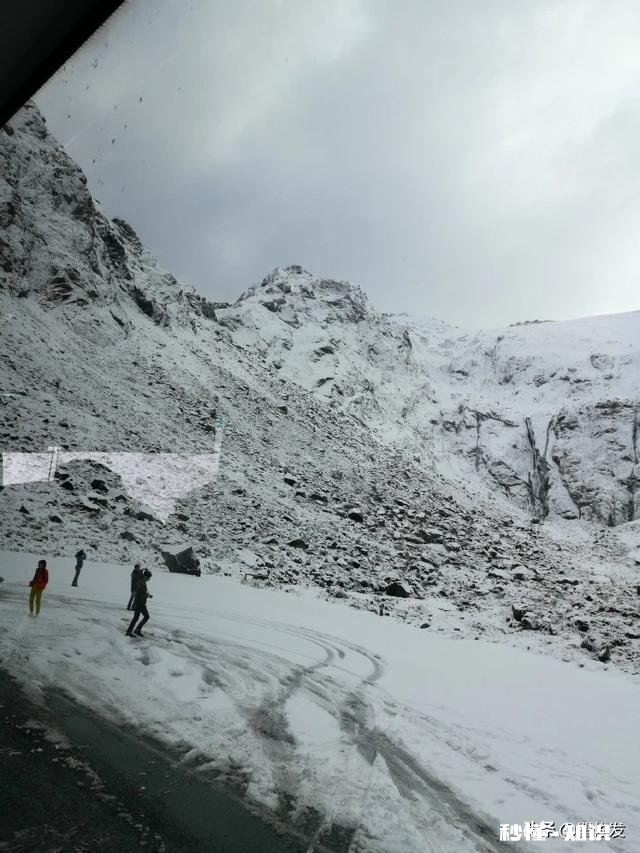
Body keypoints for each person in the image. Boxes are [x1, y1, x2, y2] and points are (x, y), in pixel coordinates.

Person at [126, 569, 152, 637]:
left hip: (139, 602)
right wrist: (147, 595)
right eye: (149, 578)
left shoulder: (142, 581)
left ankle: (132, 631)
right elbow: (140, 593)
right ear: (146, 577)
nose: (149, 579)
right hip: (140, 603)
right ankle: (135, 630)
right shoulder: (142, 582)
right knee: (146, 616)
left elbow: (141, 593)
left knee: (136, 617)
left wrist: (147, 595)